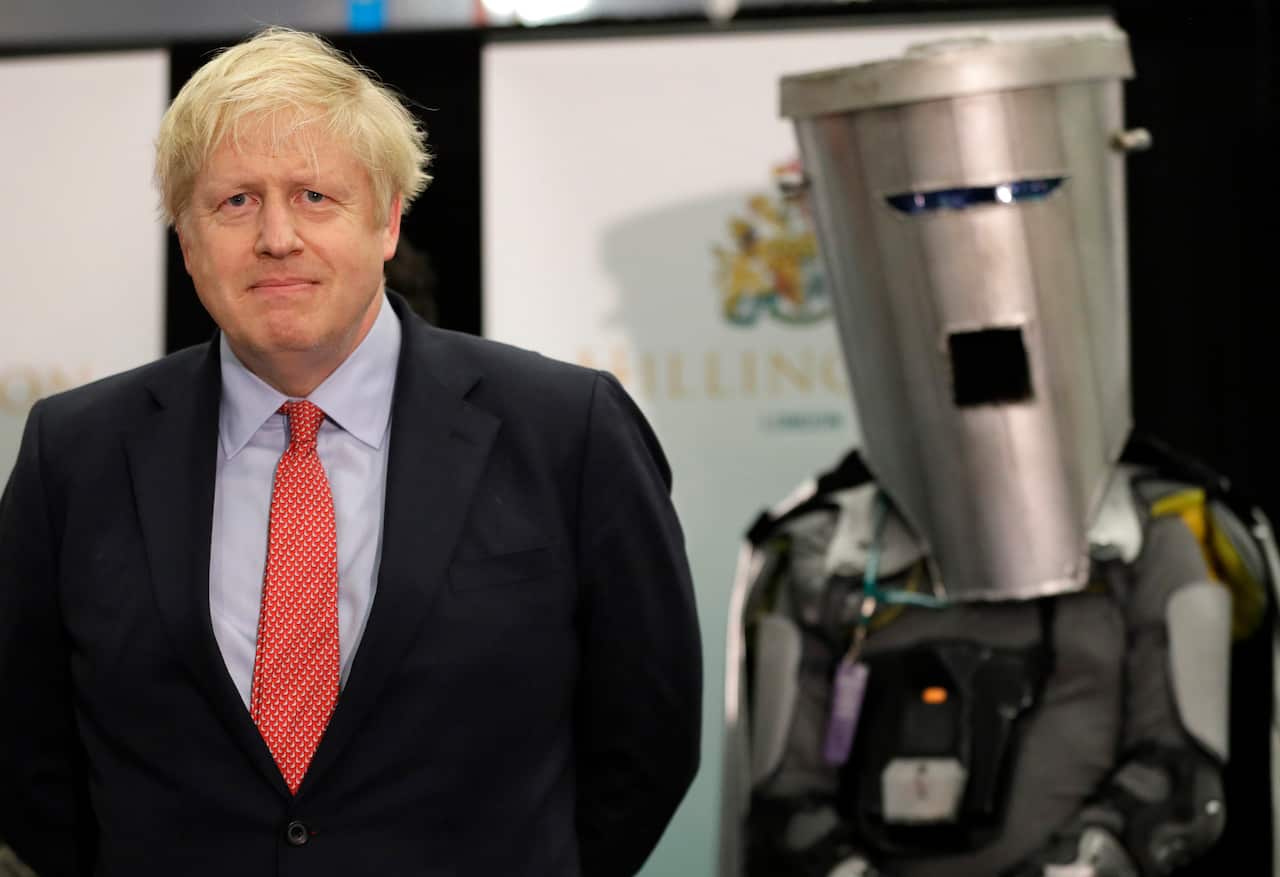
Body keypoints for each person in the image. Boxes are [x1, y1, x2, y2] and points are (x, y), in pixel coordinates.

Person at [0, 27, 701, 877]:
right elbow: (24, 750)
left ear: (388, 220)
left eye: (314, 196)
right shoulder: (72, 454)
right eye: (235, 203)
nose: (277, 237)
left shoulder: (568, 432)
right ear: (186, 241)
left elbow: (648, 736)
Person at [720, 31, 1276, 877]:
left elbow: (1179, 779)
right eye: (919, 203)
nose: (965, 236)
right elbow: (780, 801)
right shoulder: (818, 551)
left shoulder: (1158, 531)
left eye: (1019, 190)